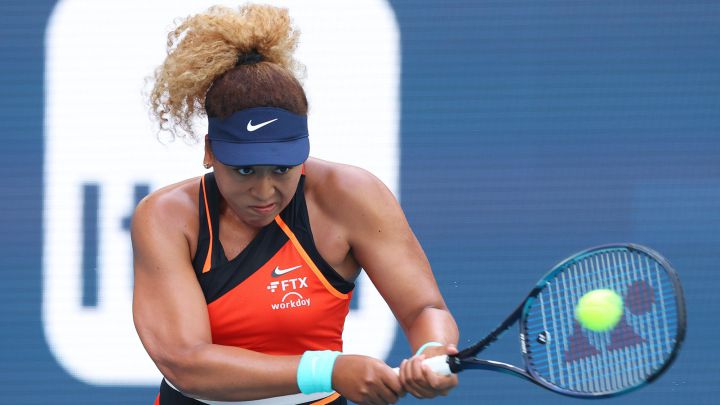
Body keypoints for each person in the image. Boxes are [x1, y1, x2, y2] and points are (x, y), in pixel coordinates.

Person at [132, 4, 459, 405]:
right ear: (210, 152)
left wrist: (432, 351)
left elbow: (424, 309)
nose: (266, 191)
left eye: (282, 168)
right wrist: (329, 370)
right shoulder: (166, 217)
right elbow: (186, 362)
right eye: (245, 170)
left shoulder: (350, 196)